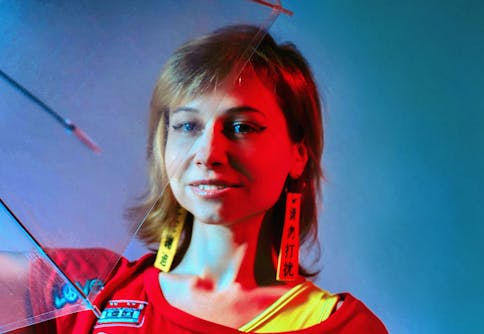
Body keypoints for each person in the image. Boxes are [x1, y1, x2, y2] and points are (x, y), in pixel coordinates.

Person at [9, 25, 387, 333]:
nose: (208, 153)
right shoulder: (82, 289)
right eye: (188, 125)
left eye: (241, 127)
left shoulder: (346, 327)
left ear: (298, 154)